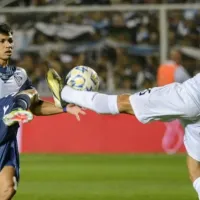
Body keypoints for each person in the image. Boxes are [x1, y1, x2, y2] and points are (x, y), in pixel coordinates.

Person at [47, 66, 200, 199]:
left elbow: (116, 105)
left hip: (193, 95)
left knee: (123, 103)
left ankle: (65, 93)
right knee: (195, 169)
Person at [0, 23, 85, 200]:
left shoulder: (19, 74)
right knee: (29, 93)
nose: (8, 45)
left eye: (9, 41)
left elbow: (36, 106)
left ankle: (15, 111)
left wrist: (63, 107)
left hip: (6, 143)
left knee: (8, 189)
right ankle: (15, 111)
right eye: (2, 41)